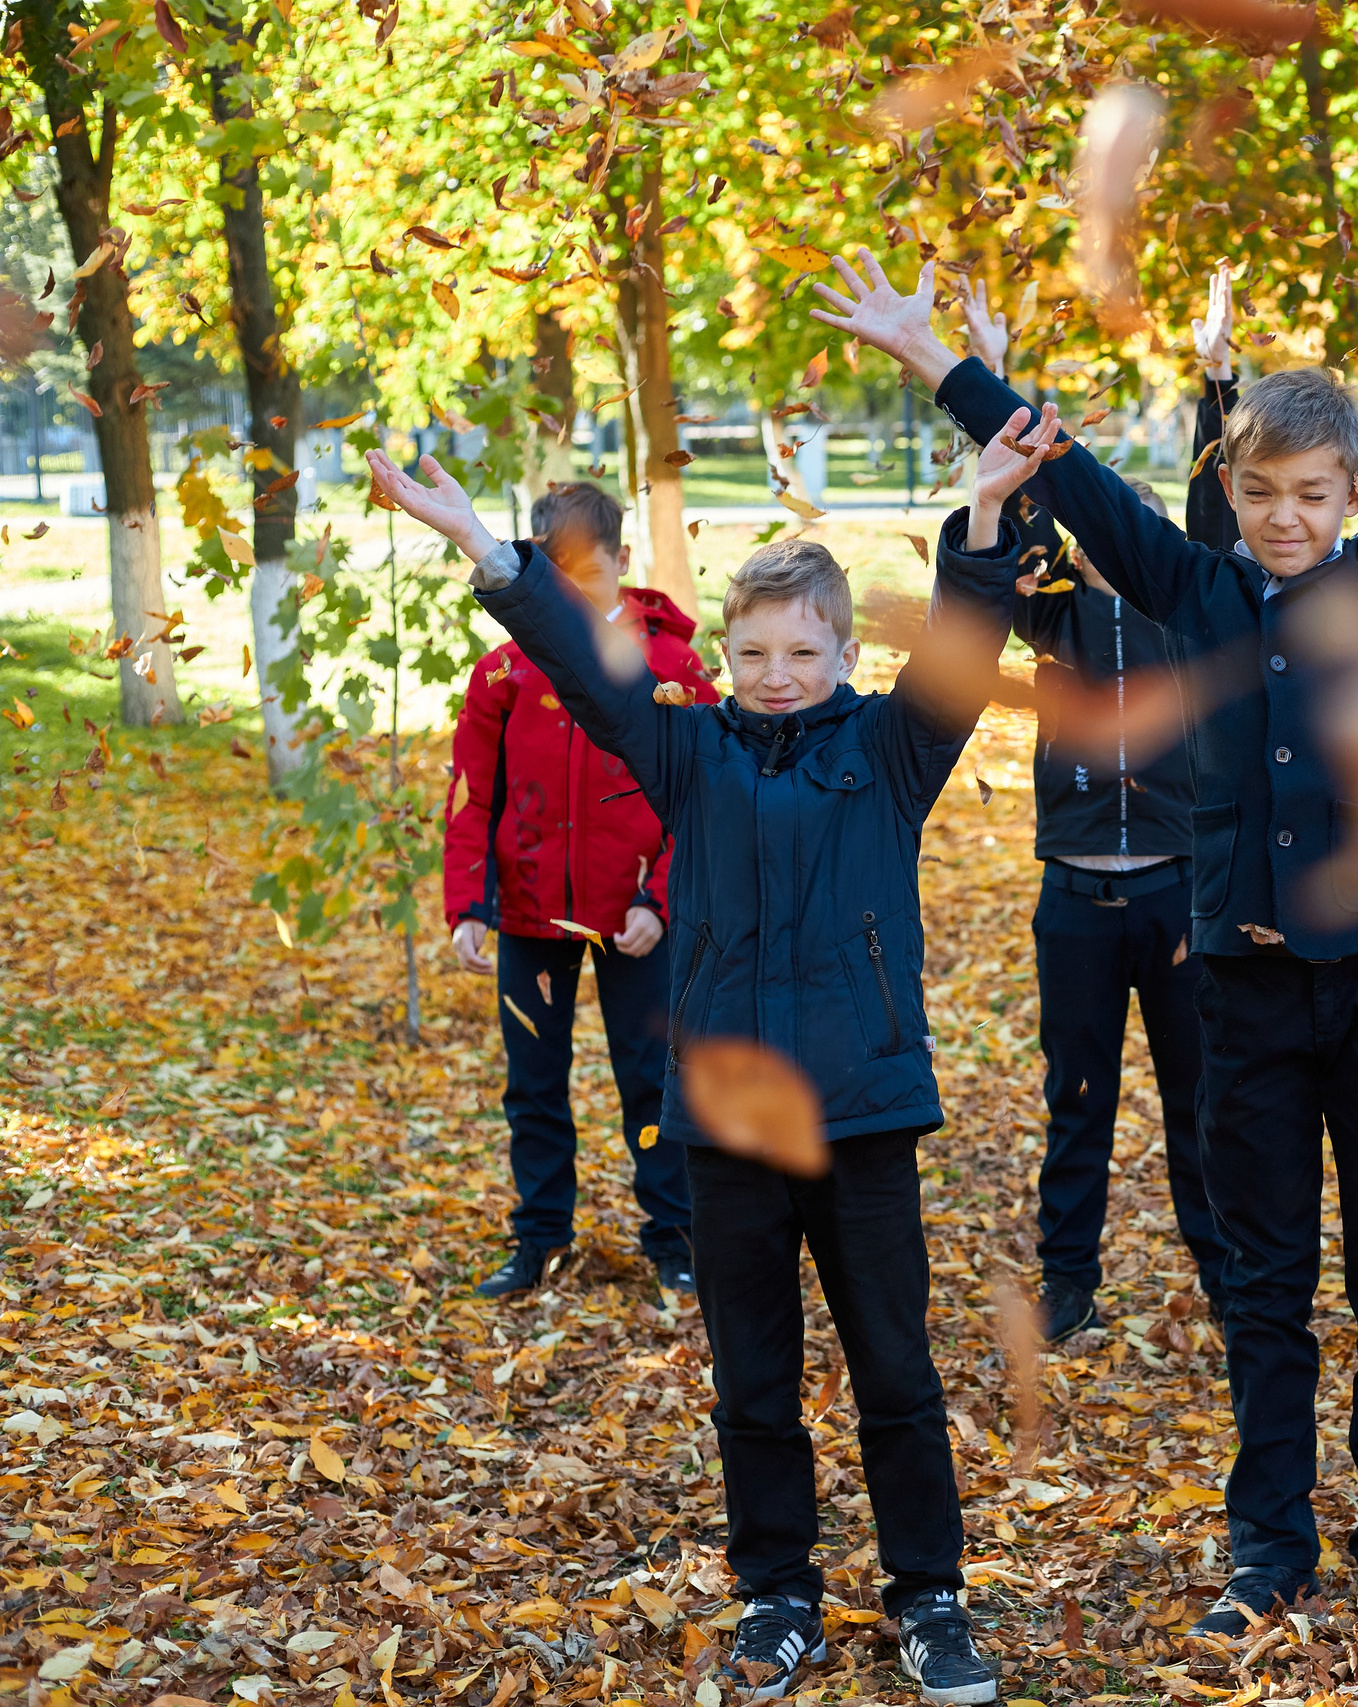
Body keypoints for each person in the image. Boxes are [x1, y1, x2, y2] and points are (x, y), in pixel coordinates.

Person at [813, 89, 1358, 1647]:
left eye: (1310, 495)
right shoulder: (1192, 584)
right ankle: (1267, 1541)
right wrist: (940, 362)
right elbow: (1058, 473)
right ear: (1234, 484)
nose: (1282, 519)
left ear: (1350, 496)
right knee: (1263, 1290)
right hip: (1249, 997)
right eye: (1259, 491)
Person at [363, 414, 1062, 1705]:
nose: (779, 671)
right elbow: (585, 667)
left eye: (805, 651)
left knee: (895, 1370)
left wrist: (978, 512)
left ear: (848, 653)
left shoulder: (891, 754)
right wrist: (476, 538)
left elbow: (966, 648)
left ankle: (931, 1593)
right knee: (755, 1378)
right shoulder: (688, 753)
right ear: (724, 657)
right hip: (726, 1125)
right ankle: (777, 1590)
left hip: (862, 1115)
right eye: (755, 652)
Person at [956, 270, 1239, 1342]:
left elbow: (1217, 503)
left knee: (1199, 1103)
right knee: (1075, 1102)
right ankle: (1069, 1281)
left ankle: (1225, 1279)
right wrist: (989, 367)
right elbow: (1021, 490)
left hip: (1180, 900)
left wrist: (1218, 377)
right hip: (1074, 898)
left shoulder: (1194, 613)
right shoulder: (1057, 608)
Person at [441, 482, 715, 1299]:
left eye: (588, 575)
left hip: (634, 921)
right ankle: (541, 1238)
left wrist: (658, 900)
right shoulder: (502, 671)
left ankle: (675, 1239)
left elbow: (700, 793)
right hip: (528, 916)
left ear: (623, 562)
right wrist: (471, 904)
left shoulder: (669, 664)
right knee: (533, 1083)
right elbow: (471, 794)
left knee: (651, 1078)